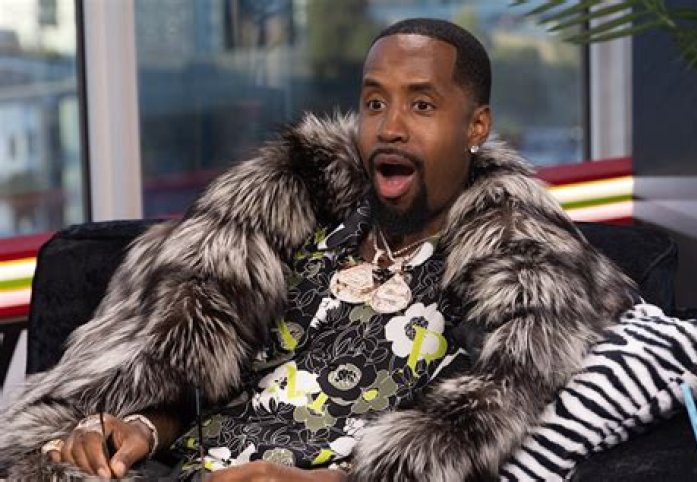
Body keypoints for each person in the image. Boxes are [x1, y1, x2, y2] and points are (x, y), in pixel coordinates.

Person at [0, 18, 637, 481]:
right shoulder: (292, 232)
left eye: (421, 104)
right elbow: (197, 385)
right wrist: (136, 430)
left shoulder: (515, 277)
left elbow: (483, 428)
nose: (390, 127)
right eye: (374, 102)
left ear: (476, 126)